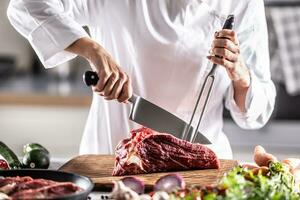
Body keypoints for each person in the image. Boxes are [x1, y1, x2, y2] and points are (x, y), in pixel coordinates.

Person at [7, 0, 276, 159]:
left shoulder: (243, 2)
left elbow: (256, 113)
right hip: (112, 162)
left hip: (201, 164)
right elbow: (24, 5)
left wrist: (240, 73)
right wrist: (91, 48)